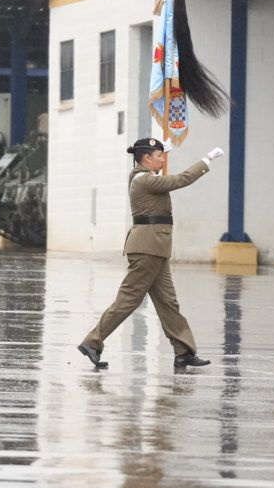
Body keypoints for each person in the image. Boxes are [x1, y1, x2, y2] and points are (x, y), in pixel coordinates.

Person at [77, 137, 223, 371]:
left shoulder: (147, 177)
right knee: (128, 300)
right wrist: (206, 160)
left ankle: (183, 351)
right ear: (146, 158)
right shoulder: (144, 179)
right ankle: (92, 342)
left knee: (168, 302)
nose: (163, 159)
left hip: (155, 248)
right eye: (159, 156)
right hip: (147, 248)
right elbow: (180, 180)